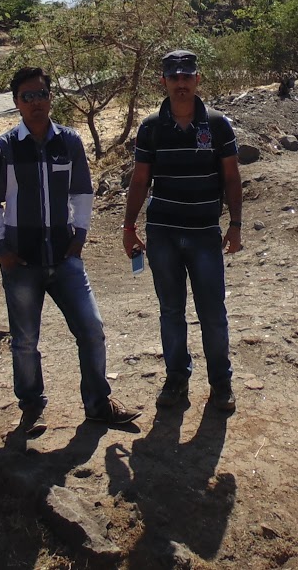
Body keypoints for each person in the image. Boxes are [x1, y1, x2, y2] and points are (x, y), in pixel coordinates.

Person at [0, 67, 141, 433]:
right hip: (21, 261)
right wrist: (1, 250)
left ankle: (99, 404)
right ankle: (31, 406)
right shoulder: (3, 148)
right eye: (27, 97)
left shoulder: (68, 141)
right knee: (24, 341)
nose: (35, 103)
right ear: (16, 103)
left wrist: (79, 236)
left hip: (64, 256)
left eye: (41, 94)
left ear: (50, 97)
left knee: (92, 329)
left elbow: (82, 192)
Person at [123, 50, 244, 413]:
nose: (180, 83)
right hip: (163, 235)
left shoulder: (218, 125)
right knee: (171, 311)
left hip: (205, 232)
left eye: (186, 76)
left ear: (197, 80)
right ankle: (176, 378)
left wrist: (235, 225)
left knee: (212, 311)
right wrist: (129, 227)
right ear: (163, 81)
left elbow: (232, 177)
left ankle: (220, 383)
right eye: (173, 77)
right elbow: (140, 179)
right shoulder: (150, 127)